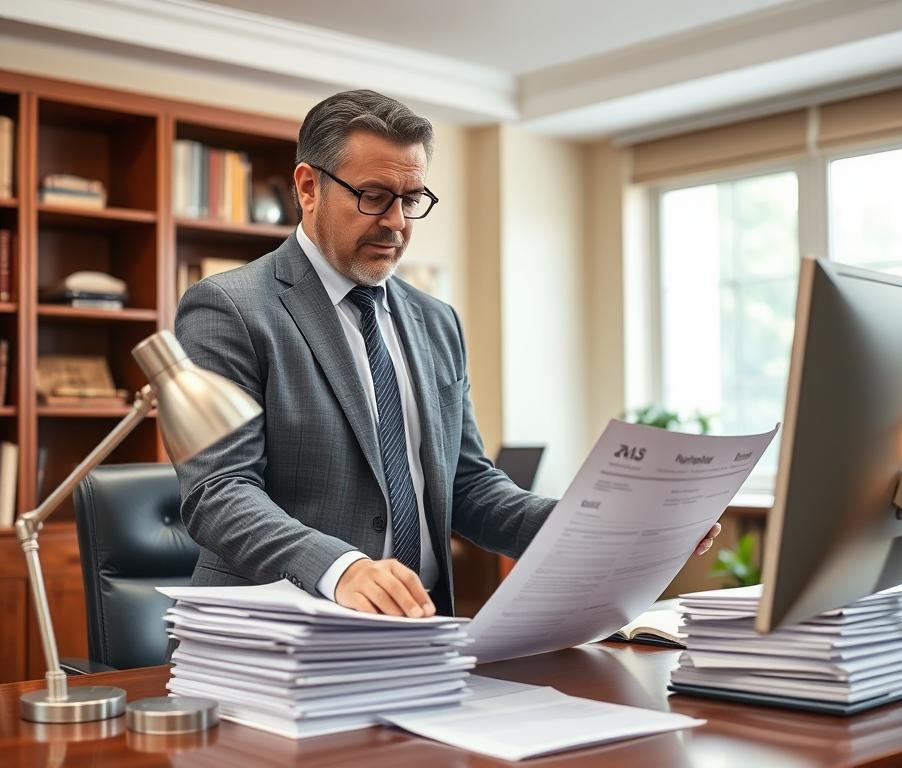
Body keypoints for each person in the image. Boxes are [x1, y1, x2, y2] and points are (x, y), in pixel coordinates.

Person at [174, 89, 720, 619]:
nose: (397, 223)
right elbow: (219, 492)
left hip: (423, 630)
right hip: (279, 635)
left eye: (411, 200)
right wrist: (342, 568)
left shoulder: (436, 321)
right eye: (374, 196)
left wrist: (603, 526)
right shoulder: (230, 308)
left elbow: (470, 487)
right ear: (309, 187)